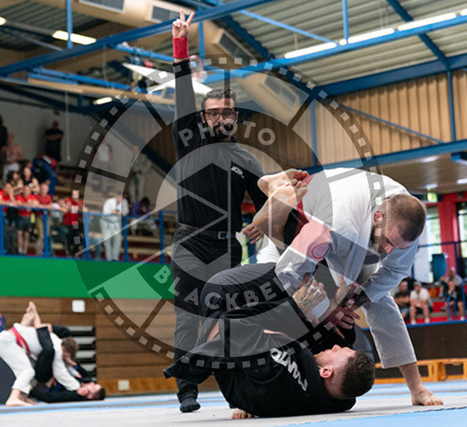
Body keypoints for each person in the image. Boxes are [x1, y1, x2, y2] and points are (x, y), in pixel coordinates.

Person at [251, 167, 442, 406]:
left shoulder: (405, 226)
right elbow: (288, 271)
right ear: (378, 216)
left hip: (353, 222)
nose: (389, 250)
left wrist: (360, 297)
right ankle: (278, 194)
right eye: (388, 241)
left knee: (381, 301)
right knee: (277, 290)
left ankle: (417, 388)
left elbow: (394, 272)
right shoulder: (338, 222)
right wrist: (327, 309)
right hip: (307, 211)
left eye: (397, 246)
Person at [170, 12, 268, 412]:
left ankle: (239, 393)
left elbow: (266, 205)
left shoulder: (247, 160)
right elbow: (181, 93)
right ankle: (186, 389)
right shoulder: (189, 142)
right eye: (213, 113)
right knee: (187, 315)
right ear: (203, 118)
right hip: (190, 243)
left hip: (229, 249)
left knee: (231, 319)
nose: (221, 118)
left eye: (227, 112)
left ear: (235, 117)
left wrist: (264, 221)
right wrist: (180, 46)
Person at [164, 271, 374, 418]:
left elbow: (232, 324)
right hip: (253, 353)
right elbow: (349, 393)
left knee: (307, 277)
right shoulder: (340, 398)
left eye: (338, 352)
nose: (336, 348)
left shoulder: (277, 367)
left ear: (326, 371)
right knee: (339, 329)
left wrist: (295, 307)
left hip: (222, 304)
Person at [0, 316, 82, 406]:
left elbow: (63, 367)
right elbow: (60, 373)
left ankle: (23, 397)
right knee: (27, 371)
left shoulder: (54, 339)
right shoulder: (58, 348)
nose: (65, 359)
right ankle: (13, 398)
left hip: (10, 340)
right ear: (65, 350)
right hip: (7, 341)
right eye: (66, 356)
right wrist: (77, 388)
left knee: (30, 371)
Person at [101, 192, 128, 261]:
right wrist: (111, 212)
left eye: (121, 197)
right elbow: (104, 212)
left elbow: (126, 211)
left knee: (117, 241)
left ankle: (115, 258)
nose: (120, 198)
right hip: (107, 223)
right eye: (119, 197)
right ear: (116, 196)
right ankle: (108, 258)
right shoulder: (109, 201)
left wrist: (121, 212)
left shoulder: (124, 202)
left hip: (116, 223)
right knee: (107, 241)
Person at [16, 186, 37, 255]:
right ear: (23, 191)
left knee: (27, 235)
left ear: (30, 191)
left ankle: (25, 250)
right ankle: (20, 249)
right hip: (20, 217)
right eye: (25, 190)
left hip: (29, 218)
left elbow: (35, 204)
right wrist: (27, 204)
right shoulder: (19, 196)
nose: (26, 191)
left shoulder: (32, 197)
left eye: (28, 190)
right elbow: (18, 203)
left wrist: (24, 204)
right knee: (19, 234)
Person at [34, 183, 53, 256]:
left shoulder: (49, 196)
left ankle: (42, 252)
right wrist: (45, 206)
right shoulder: (37, 196)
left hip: (47, 218)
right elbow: (36, 205)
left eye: (45, 189)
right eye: (42, 188)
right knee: (40, 236)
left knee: (45, 236)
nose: (43, 190)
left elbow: (50, 206)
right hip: (39, 218)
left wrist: (42, 206)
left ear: (47, 190)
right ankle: (38, 253)